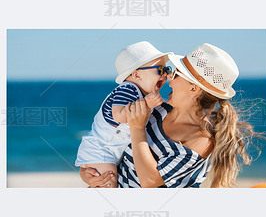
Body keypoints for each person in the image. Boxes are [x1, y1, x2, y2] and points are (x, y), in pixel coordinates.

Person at [80, 43, 256, 188]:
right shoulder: (158, 111)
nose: (169, 78)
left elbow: (149, 181)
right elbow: (112, 145)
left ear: (193, 88)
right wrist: (89, 172)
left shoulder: (201, 140)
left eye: (176, 74)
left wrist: (137, 128)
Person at [75, 41, 173, 187]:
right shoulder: (128, 89)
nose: (165, 75)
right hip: (101, 148)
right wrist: (146, 103)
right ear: (136, 74)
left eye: (167, 69)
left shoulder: (142, 94)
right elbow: (119, 115)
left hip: (112, 151)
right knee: (108, 182)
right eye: (159, 70)